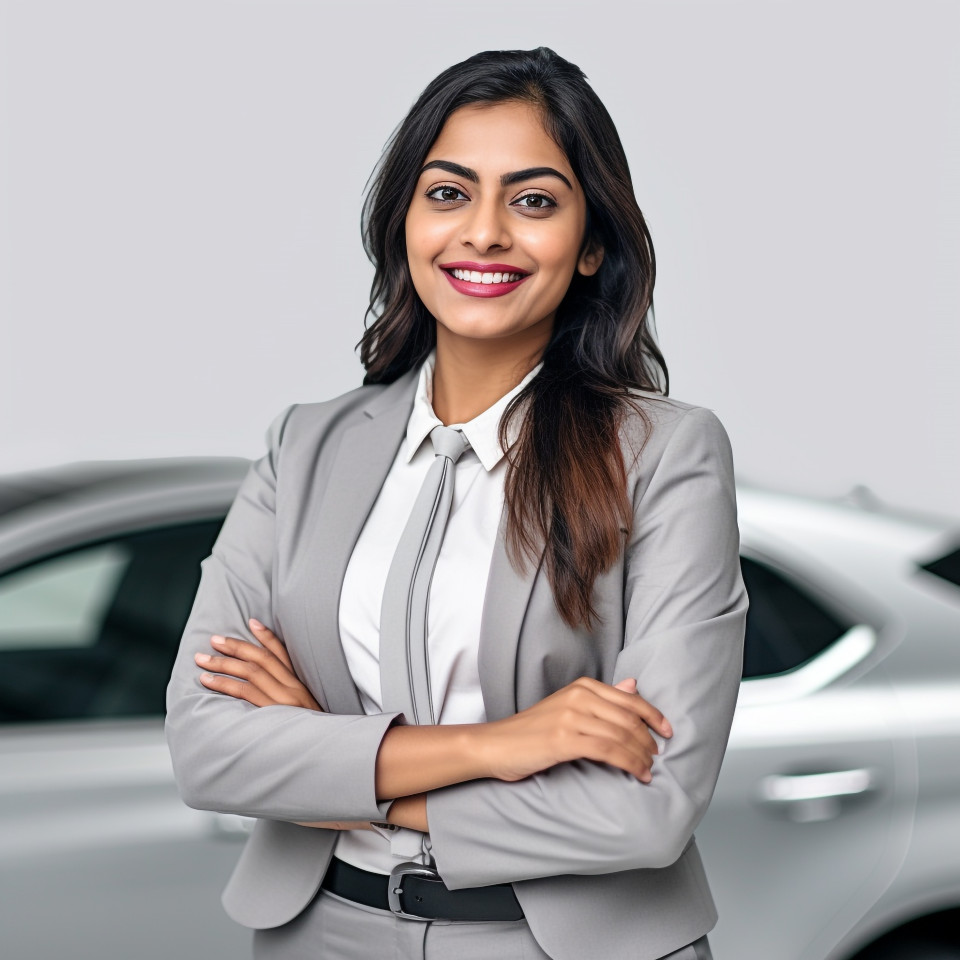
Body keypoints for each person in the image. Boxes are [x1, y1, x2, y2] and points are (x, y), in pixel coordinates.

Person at [165, 46, 748, 960]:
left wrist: (333, 762)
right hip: (317, 933)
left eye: (534, 200)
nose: (483, 233)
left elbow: (648, 807)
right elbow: (208, 747)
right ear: (404, 220)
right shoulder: (304, 444)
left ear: (592, 243)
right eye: (447, 193)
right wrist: (504, 744)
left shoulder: (666, 455)